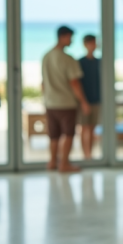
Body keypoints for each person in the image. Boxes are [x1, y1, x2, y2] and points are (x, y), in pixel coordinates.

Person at [42, 25, 89, 173]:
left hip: (50, 103)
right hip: (66, 103)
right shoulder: (67, 59)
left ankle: (52, 162)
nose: (72, 41)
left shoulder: (46, 56)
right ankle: (64, 163)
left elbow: (43, 83)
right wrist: (83, 102)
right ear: (63, 36)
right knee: (68, 134)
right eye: (70, 37)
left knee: (54, 135)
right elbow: (74, 83)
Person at [77, 34, 101, 160]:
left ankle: (89, 154)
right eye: (90, 43)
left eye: (94, 42)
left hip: (97, 100)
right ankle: (84, 154)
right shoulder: (80, 62)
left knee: (92, 128)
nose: (93, 45)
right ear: (85, 45)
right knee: (84, 127)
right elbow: (77, 84)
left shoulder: (99, 62)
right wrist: (83, 102)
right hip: (84, 101)